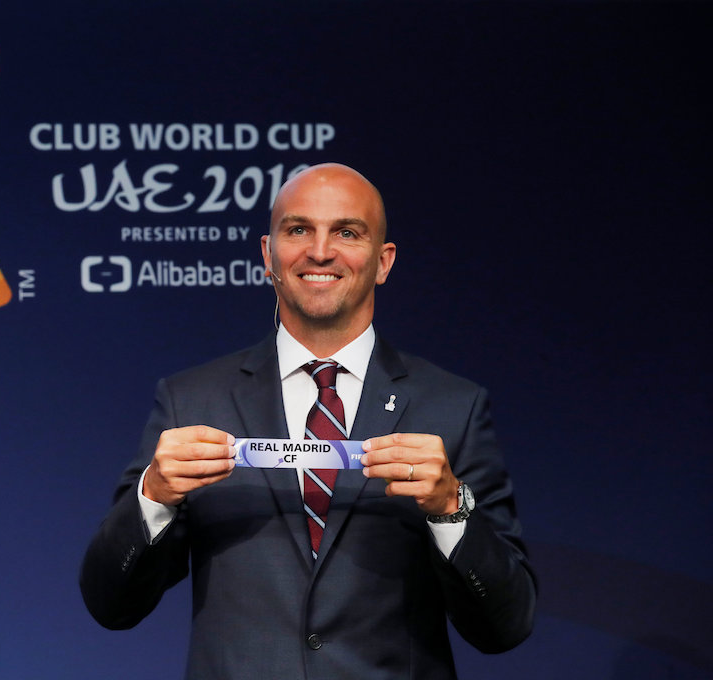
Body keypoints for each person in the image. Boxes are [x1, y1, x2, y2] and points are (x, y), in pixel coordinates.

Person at [80, 163, 535, 680]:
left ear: (383, 262)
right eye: (298, 230)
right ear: (267, 255)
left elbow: (507, 625)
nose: (320, 251)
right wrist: (153, 496)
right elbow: (110, 605)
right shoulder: (192, 400)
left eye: (346, 232)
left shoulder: (454, 407)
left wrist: (451, 510)